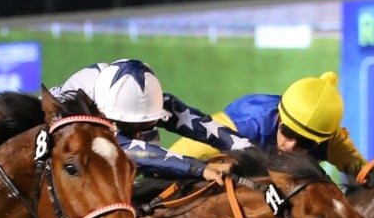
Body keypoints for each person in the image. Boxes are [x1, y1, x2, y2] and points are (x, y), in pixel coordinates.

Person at [52, 58, 248, 183]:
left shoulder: (132, 98)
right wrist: (199, 168)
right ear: (105, 114)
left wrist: (249, 149)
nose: (138, 133)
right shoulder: (81, 109)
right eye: (131, 128)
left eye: (145, 125)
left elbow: (196, 122)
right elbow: (125, 148)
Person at [168, 71, 367, 178]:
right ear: (280, 117)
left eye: (305, 143)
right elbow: (174, 158)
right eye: (287, 132)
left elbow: (366, 173)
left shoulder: (332, 140)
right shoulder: (245, 123)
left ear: (324, 140)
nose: (290, 146)